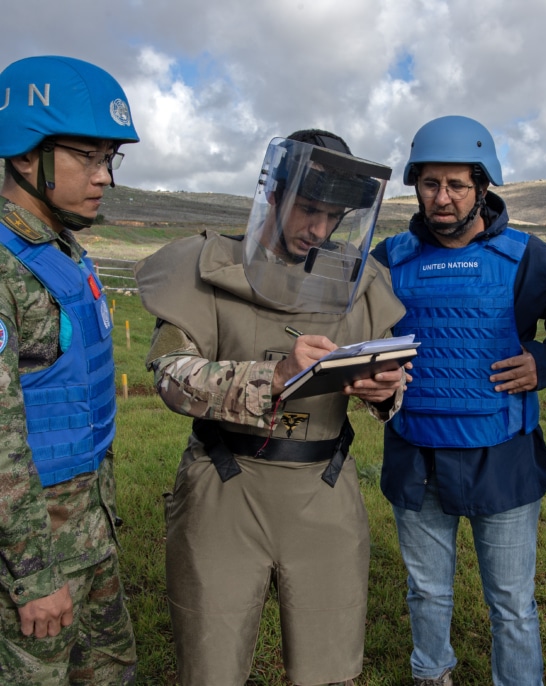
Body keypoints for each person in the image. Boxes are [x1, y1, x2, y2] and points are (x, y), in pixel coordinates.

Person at [134, 129, 406, 686]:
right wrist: (275, 376)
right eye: (308, 209)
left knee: (330, 669)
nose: (319, 230)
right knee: (210, 665)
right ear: (274, 195)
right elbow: (171, 378)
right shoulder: (206, 268)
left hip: (324, 489)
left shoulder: (361, 283)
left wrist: (387, 392)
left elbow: (389, 373)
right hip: (224, 486)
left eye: (332, 216)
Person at [371, 115, 546, 686]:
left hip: (503, 456)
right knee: (427, 589)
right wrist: (372, 373)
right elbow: (358, 335)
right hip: (416, 454)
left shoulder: (527, 256)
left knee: (512, 602)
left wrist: (544, 362)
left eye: (456, 185)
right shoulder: (388, 258)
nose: (442, 197)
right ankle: (431, 673)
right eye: (430, 184)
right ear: (415, 186)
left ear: (482, 186)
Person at [0, 56, 139, 684]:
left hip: (89, 537)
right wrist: (32, 578)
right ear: (27, 156)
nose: (104, 176)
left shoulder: (63, 249)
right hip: (33, 566)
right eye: (88, 157)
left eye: (110, 158)